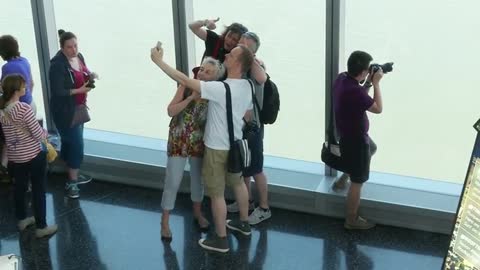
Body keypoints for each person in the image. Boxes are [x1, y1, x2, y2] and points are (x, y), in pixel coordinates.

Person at [151, 43, 254, 253]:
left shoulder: (217, 89)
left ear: (237, 64)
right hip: (222, 145)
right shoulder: (247, 86)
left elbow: (182, 79)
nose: (227, 53)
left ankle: (220, 239)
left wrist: (158, 61)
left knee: (214, 193)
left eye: (232, 54)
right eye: (202, 70)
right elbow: (247, 114)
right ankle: (244, 223)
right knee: (237, 184)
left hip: (212, 148)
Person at [160, 57, 225, 241]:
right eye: (201, 69)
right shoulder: (186, 86)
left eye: (207, 72)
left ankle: (197, 213)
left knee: (198, 180)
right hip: (178, 139)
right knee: (173, 180)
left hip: (199, 142)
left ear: (215, 78)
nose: (202, 73)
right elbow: (171, 111)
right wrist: (190, 98)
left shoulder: (214, 93)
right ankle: (164, 221)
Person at [0, 74, 57, 238]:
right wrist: (46, 133)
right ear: (16, 90)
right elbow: (39, 134)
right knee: (38, 190)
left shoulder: (2, 110)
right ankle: (41, 227)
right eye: (23, 86)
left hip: (15, 158)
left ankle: (22, 219)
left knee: (19, 188)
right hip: (33, 155)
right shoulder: (24, 109)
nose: (26, 88)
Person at [333, 50, 383, 230]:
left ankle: (344, 176)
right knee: (358, 182)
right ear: (362, 72)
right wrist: (376, 84)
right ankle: (351, 220)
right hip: (356, 140)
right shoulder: (354, 90)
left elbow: (358, 96)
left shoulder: (342, 79)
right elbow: (377, 108)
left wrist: (368, 82)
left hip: (347, 135)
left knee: (373, 148)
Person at [226, 32, 271, 225]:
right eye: (239, 43)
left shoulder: (256, 66)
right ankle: (246, 201)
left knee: (256, 168)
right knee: (244, 167)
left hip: (253, 128)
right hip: (240, 127)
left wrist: (250, 57)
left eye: (245, 44)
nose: (239, 46)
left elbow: (262, 79)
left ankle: (264, 207)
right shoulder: (239, 67)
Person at [49, 30, 96, 199]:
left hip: (79, 109)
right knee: (77, 145)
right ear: (62, 48)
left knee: (71, 142)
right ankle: (72, 182)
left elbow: (84, 70)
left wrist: (90, 75)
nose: (74, 50)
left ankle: (71, 172)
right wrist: (80, 90)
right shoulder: (57, 66)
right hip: (65, 112)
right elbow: (58, 91)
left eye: (75, 45)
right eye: (69, 47)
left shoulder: (79, 57)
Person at [0, 35, 36, 181]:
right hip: (30, 104)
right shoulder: (25, 61)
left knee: (12, 141)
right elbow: (31, 83)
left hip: (16, 109)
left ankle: (8, 171)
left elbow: (6, 89)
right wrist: (26, 101)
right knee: (24, 140)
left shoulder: (7, 67)